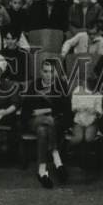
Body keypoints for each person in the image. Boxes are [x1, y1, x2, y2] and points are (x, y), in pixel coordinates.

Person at [24, 59, 69, 188]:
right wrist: (45, 112)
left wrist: (46, 110)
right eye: (45, 71)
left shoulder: (61, 85)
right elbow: (28, 109)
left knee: (43, 130)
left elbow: (66, 108)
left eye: (51, 72)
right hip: (34, 120)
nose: (48, 75)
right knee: (49, 121)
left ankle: (42, 171)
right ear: (40, 72)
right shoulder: (35, 85)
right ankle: (57, 159)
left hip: (52, 123)